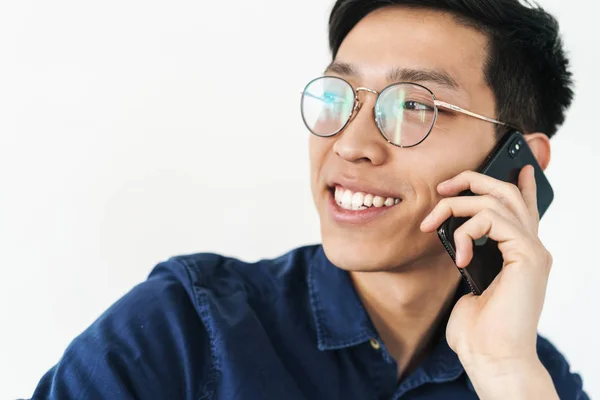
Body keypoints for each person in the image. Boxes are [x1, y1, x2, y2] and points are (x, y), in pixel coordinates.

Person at [30, 0, 589, 399]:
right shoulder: (184, 328)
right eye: (339, 96)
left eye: (415, 105)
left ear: (521, 167)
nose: (350, 143)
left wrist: (506, 372)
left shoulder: (534, 378)